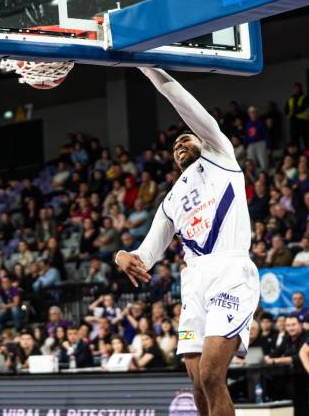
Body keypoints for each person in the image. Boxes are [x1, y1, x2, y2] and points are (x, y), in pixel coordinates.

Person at [115, 68, 260, 416]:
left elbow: (181, 100)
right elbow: (145, 254)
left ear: (201, 140)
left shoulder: (220, 155)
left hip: (230, 270)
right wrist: (123, 255)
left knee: (212, 375)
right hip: (194, 281)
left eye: (185, 139)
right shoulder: (171, 200)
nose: (180, 145)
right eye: (175, 145)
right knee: (197, 384)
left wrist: (147, 65)